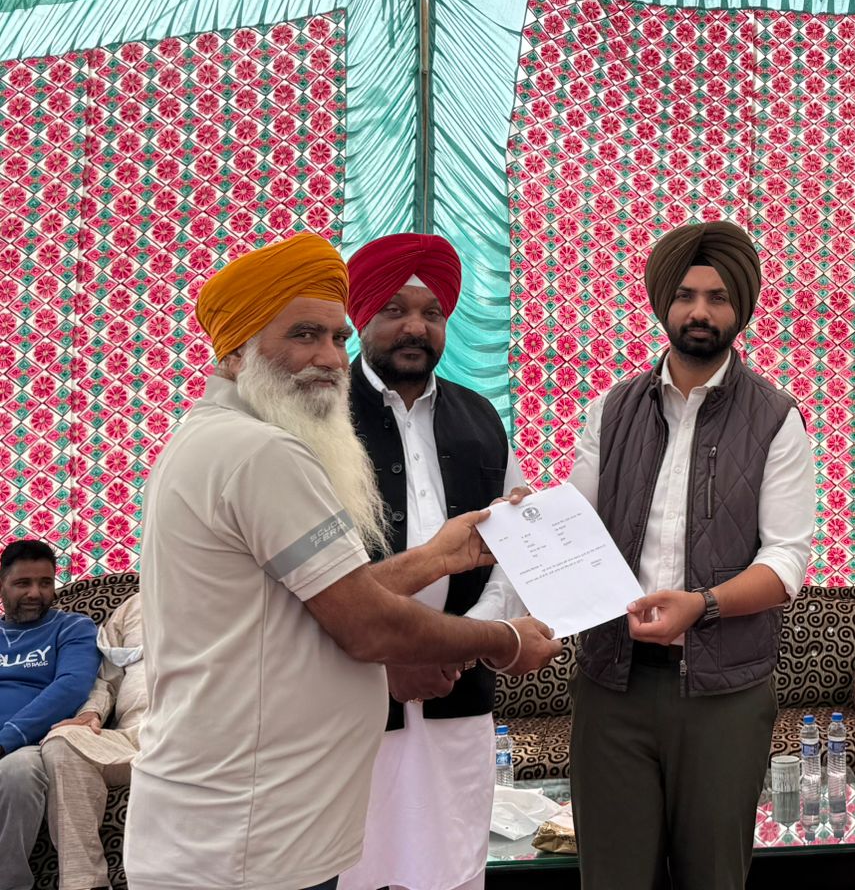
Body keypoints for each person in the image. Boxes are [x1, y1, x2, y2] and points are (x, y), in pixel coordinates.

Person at [126, 233, 562, 890]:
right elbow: (365, 623)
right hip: (248, 830)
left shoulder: (212, 436)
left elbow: (315, 598)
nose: (329, 358)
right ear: (236, 349)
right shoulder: (264, 451)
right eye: (304, 335)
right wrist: (503, 641)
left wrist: (435, 559)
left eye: (336, 337)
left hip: (251, 817)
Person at [564, 220, 816, 890]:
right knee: (612, 879)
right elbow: (576, 530)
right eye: (685, 295)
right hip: (612, 684)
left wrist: (700, 606)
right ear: (662, 303)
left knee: (713, 877)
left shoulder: (776, 418)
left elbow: (786, 563)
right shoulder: (612, 409)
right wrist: (527, 521)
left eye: (717, 297)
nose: (699, 311)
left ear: (740, 310)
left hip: (723, 695)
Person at [340, 233, 534, 890]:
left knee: (451, 870)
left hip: (460, 696)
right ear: (361, 316)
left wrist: (460, 645)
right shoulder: (318, 417)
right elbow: (304, 579)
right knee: (355, 870)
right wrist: (390, 657)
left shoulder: (480, 417)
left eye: (432, 312)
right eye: (395, 310)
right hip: (355, 698)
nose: (415, 327)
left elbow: (512, 552)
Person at [0, 539, 98, 890]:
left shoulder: (72, 627)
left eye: (45, 582)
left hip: (32, 743)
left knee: (17, 773)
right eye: (23, 583)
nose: (35, 593)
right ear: (2, 585)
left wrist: (6, 739)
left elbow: (71, 687)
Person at [41, 592, 146, 890]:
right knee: (64, 742)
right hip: (134, 737)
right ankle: (85, 882)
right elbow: (105, 678)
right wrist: (91, 712)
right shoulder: (132, 607)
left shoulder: (236, 595)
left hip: (201, 734)